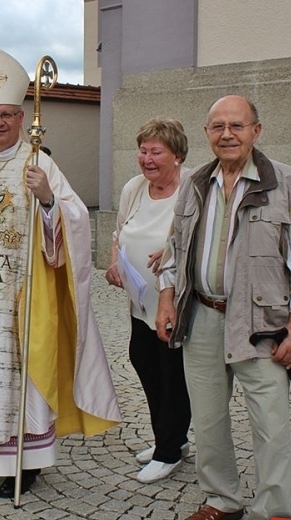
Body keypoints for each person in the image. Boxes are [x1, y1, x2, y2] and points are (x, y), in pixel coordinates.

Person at [155, 95, 291, 520]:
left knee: (270, 426)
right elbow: (174, 250)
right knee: (208, 419)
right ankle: (222, 498)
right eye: (217, 126)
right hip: (202, 317)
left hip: (260, 325)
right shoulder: (195, 184)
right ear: (207, 133)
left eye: (236, 125)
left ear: (256, 130)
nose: (226, 134)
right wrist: (167, 300)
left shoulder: (283, 184)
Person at [0, 47, 122, 498]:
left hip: (24, 296)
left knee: (20, 380)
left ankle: (26, 462)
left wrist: (48, 200)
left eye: (8, 114)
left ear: (22, 117)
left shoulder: (40, 162)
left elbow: (77, 221)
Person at [105, 118, 192, 483]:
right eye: (143, 151)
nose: (147, 159)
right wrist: (114, 261)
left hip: (175, 303)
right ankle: (167, 440)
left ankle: (169, 451)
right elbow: (118, 230)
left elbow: (195, 240)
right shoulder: (134, 188)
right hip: (140, 301)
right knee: (144, 361)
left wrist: (171, 250)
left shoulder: (190, 189)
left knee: (173, 375)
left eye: (156, 151)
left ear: (176, 156)